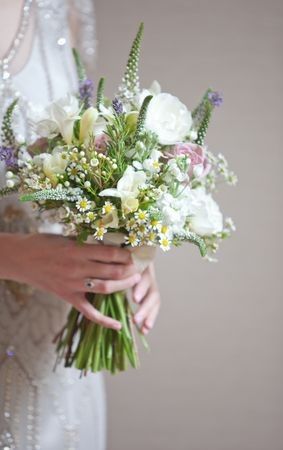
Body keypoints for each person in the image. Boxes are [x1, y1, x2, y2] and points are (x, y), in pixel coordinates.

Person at [0, 1, 161, 449]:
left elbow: (82, 147)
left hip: (56, 362)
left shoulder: (62, 8)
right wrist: (13, 256)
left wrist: (125, 244)